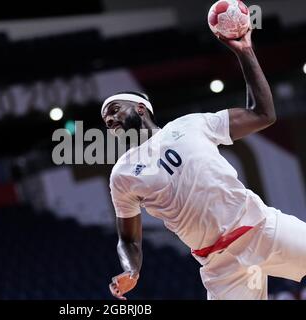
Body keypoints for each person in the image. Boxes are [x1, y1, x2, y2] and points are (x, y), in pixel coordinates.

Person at [101, 29, 306, 300]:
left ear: (141, 109)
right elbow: (128, 239)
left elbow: (262, 114)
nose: (110, 120)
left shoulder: (190, 124)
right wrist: (131, 270)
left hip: (261, 229)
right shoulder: (122, 175)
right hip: (220, 266)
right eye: (106, 120)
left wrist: (245, 51)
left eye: (114, 110)